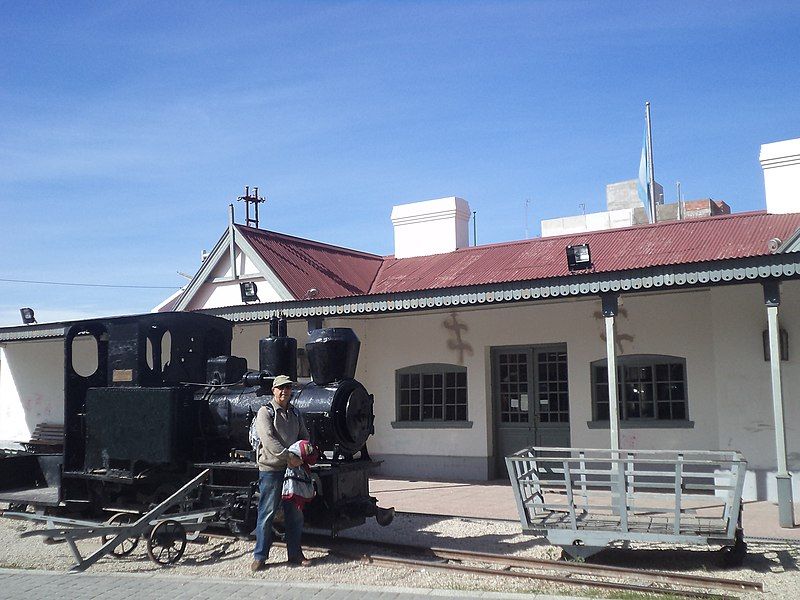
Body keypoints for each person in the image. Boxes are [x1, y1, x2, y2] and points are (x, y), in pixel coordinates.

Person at [251, 374, 312, 571]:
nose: (284, 391)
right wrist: (289, 456)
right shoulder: (265, 412)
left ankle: (295, 554)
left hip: (293, 469)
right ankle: (260, 556)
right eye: (281, 388)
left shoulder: (295, 413)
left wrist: (305, 452)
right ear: (273, 390)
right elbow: (268, 439)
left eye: (287, 387)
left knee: (295, 515)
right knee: (267, 513)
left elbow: (304, 436)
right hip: (271, 468)